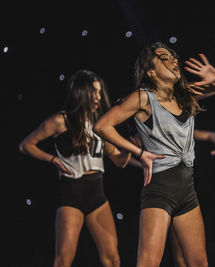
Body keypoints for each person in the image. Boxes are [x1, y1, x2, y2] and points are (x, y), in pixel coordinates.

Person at [93, 41, 215, 267]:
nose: (173, 60)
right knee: (148, 263)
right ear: (151, 71)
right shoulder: (143, 98)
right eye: (164, 58)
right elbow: (102, 126)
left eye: (173, 57)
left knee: (199, 263)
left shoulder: (185, 95)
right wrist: (140, 152)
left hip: (187, 190)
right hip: (160, 189)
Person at [18, 69, 131, 267]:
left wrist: (131, 148)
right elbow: (25, 145)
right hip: (71, 194)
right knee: (63, 260)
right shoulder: (61, 120)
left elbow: (118, 161)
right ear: (81, 91)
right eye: (93, 91)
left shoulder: (102, 123)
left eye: (99, 91)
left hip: (97, 193)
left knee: (112, 259)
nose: (98, 96)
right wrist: (53, 159)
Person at [128, 129, 215, 267]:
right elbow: (125, 155)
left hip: (184, 192)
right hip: (159, 193)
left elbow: (208, 134)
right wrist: (141, 160)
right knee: (155, 259)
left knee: (183, 255)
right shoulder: (150, 124)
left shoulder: (180, 124)